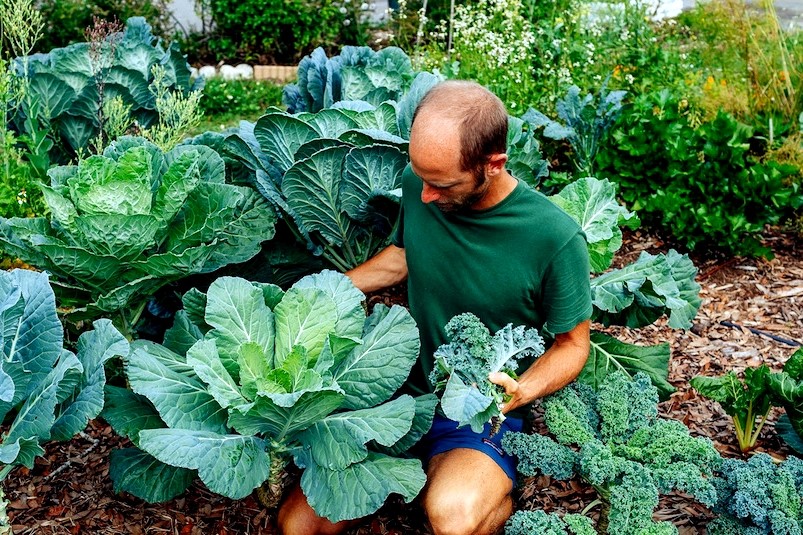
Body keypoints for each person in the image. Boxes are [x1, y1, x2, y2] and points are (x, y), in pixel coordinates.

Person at [277, 80, 592, 535]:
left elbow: (572, 344)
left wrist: (522, 390)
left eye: (441, 184)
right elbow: (402, 257)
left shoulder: (555, 237)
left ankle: (486, 492)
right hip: (398, 396)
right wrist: (320, 292)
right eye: (420, 178)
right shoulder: (421, 183)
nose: (424, 195)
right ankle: (419, 473)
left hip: (479, 405)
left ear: (493, 165)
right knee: (298, 527)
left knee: (452, 516)